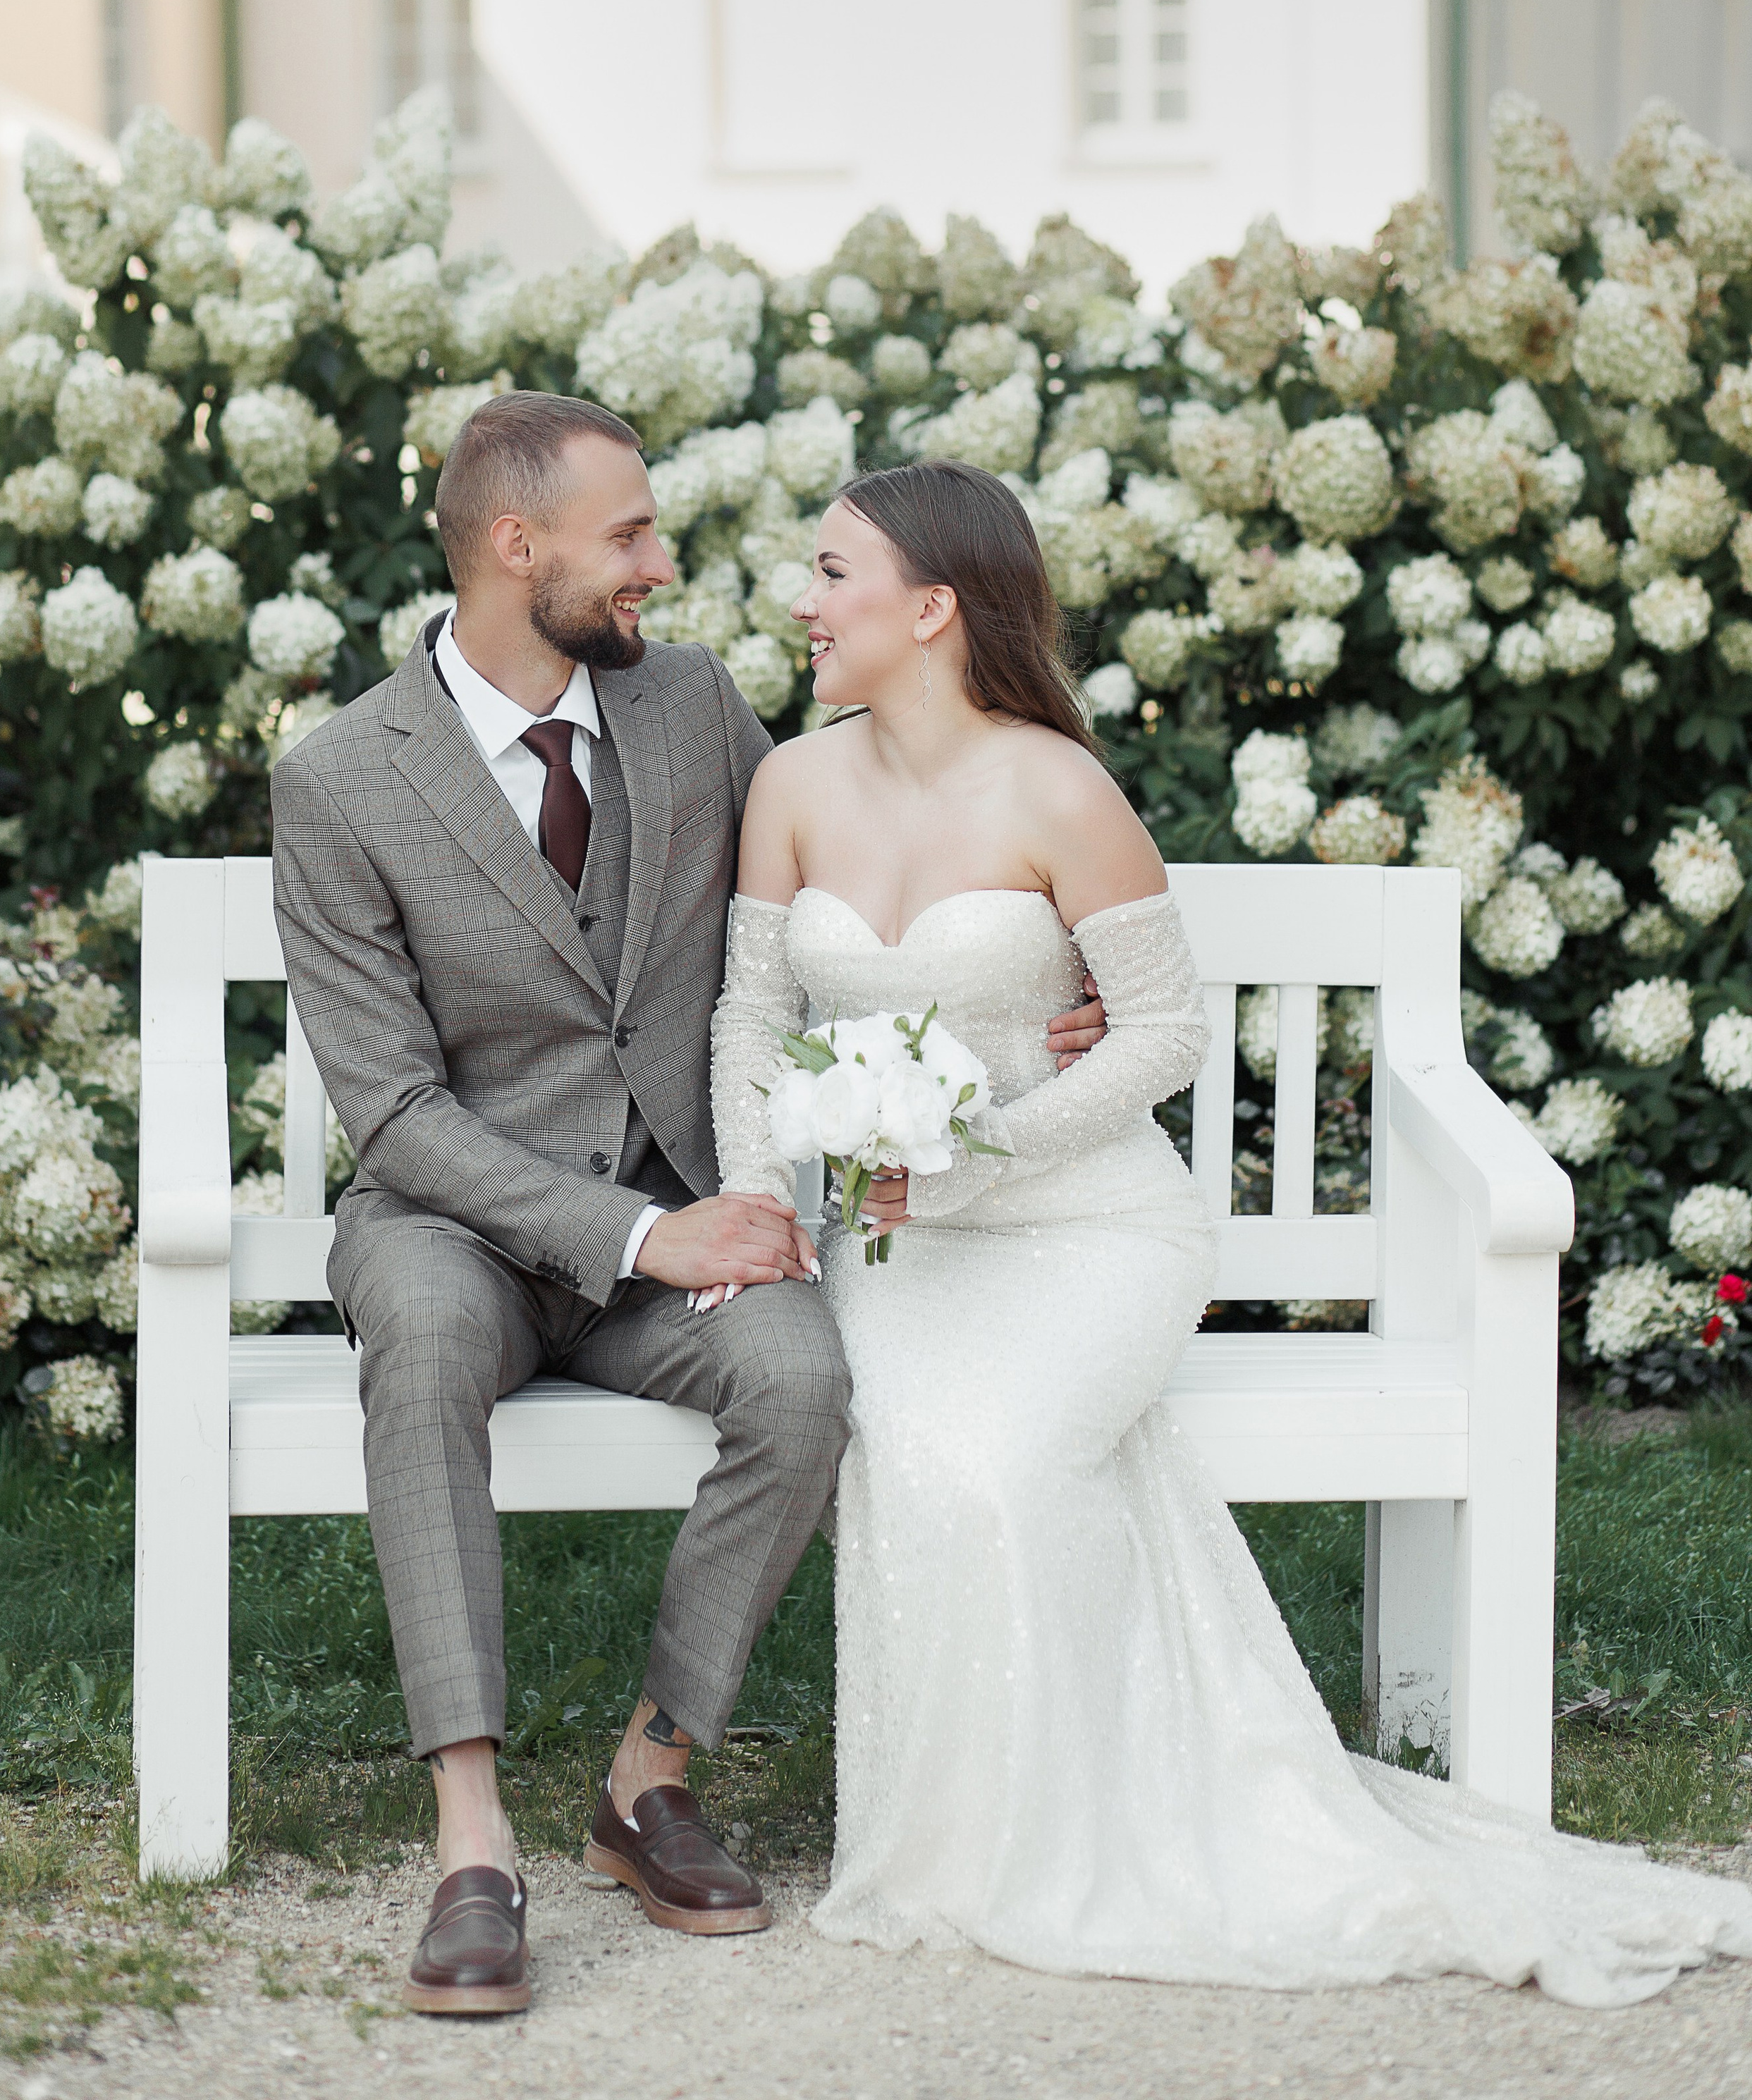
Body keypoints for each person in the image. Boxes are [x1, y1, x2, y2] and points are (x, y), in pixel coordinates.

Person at [709, 456, 1752, 2008]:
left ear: (930, 606)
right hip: (893, 1250)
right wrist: (753, 1200)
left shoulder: (1058, 786)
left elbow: (1159, 1034)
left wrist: (983, 1151)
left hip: (1087, 1231)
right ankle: (953, 1840)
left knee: (994, 1460)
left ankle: (1074, 1838)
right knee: (911, 1446)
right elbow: (750, 1015)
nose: (802, 598)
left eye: (831, 570)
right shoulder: (792, 783)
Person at [269, 397, 1104, 2016]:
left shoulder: (693, 710)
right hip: (457, 1225)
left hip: (682, 1200)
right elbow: (394, 1116)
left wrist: (1032, 1005)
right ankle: (470, 1842)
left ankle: (647, 1780)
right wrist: (649, 1239)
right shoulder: (341, 783)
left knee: (801, 1379)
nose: (664, 561)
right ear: (521, 549)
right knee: (426, 1337)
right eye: (633, 533)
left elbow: (859, 871)